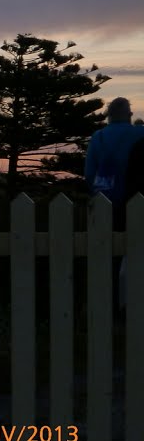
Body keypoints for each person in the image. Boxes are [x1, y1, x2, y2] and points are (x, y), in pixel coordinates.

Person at [85, 97, 144, 310]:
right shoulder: (140, 133)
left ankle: (109, 306)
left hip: (107, 204)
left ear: (108, 117)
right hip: (137, 204)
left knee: (108, 259)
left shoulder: (98, 137)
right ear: (130, 115)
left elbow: (90, 174)